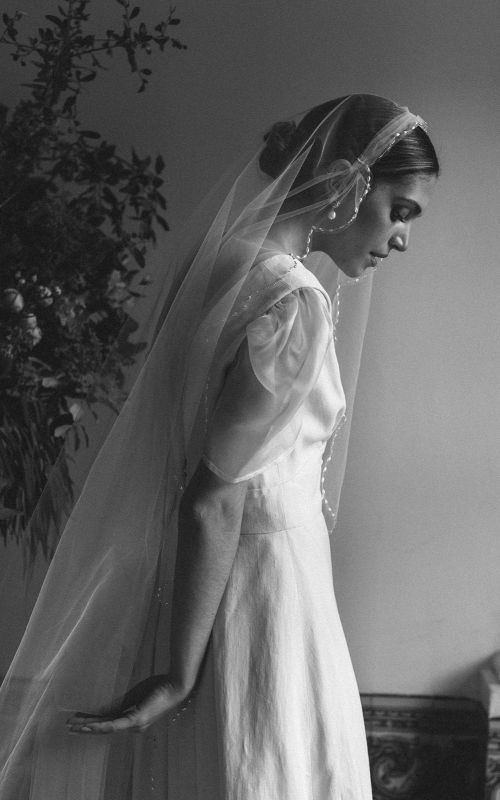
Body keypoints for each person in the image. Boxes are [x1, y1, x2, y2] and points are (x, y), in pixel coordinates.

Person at [0, 94, 438, 799]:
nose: (404, 237)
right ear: (348, 182)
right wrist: (180, 677)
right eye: (401, 209)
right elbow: (212, 498)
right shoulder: (292, 302)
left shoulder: (219, 266)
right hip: (263, 599)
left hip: (187, 593)